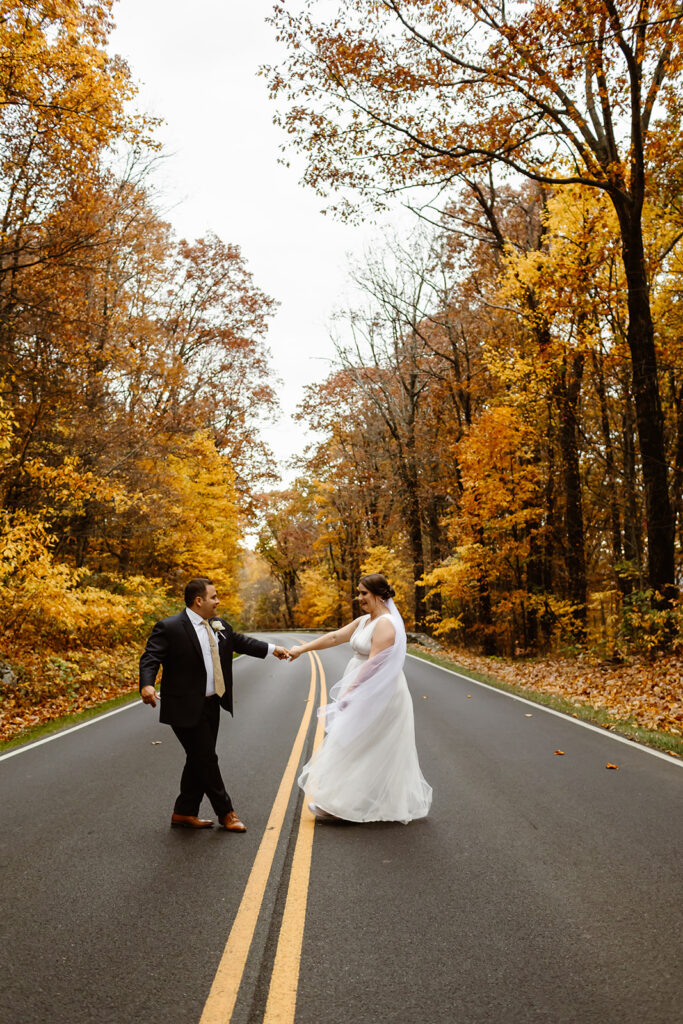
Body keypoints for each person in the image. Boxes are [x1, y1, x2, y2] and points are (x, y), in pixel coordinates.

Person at [139, 577, 291, 832]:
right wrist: (147, 684)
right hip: (184, 706)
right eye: (214, 597)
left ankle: (184, 812)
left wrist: (272, 648)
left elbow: (241, 642)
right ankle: (226, 812)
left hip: (212, 704)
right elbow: (151, 656)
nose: (218, 601)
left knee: (198, 758)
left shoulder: (218, 625)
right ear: (199, 601)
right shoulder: (170, 627)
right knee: (207, 758)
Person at [289, 573, 432, 824]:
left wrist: (351, 689)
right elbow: (334, 637)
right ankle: (339, 802)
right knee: (352, 741)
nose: (359, 598)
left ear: (379, 594)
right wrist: (302, 649)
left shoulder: (386, 624)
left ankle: (343, 804)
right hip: (362, 686)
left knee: (363, 743)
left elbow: (375, 663)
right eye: (359, 593)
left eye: (364, 593)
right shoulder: (365, 620)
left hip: (379, 690)